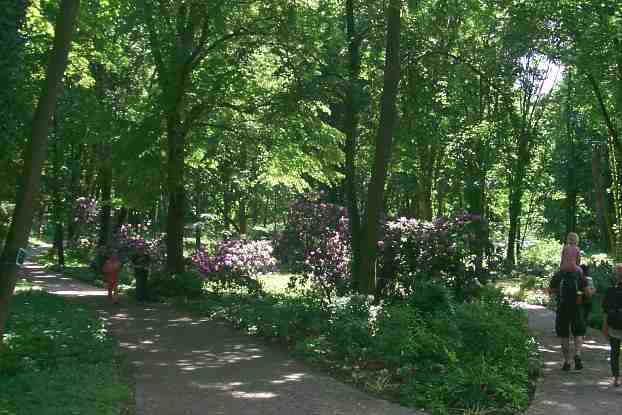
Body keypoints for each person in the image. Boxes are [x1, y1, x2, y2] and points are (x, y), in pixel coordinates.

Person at [549, 253, 590, 371]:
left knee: (564, 335)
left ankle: (567, 362)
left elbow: (550, 290)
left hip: (562, 308)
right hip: (577, 308)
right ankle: (577, 354)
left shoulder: (559, 274)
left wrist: (557, 292)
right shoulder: (579, 273)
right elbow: (587, 293)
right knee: (578, 333)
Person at [602, 263, 622, 387]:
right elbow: (606, 310)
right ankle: (616, 377)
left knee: (614, 352)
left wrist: (605, 327)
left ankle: (616, 378)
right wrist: (605, 326)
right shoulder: (611, 291)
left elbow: (605, 310)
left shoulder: (611, 291)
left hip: (614, 325)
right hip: (614, 325)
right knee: (614, 352)